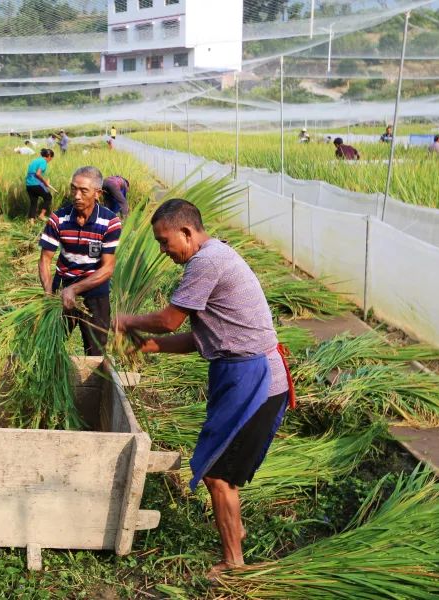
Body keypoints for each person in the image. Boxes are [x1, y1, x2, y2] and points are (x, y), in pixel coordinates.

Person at [113, 198, 293, 579]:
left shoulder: (206, 261)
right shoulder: (216, 254)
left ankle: (233, 562)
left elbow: (169, 320)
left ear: (187, 232)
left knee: (218, 474)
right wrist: (148, 345)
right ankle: (235, 530)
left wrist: (127, 320)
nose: (164, 251)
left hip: (256, 381)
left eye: (165, 242)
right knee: (221, 468)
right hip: (241, 375)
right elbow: (201, 338)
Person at [39, 166, 122, 356]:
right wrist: (48, 293)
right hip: (62, 288)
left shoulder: (109, 222)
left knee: (96, 352)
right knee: (50, 347)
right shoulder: (58, 219)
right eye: (73, 189)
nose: (76, 196)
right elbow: (45, 259)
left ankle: (93, 384)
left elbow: (107, 268)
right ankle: (53, 382)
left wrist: (75, 290)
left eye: (83, 191)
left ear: (97, 194)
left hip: (95, 291)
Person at [26, 148, 55, 222]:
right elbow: (38, 174)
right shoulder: (43, 161)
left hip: (29, 184)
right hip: (36, 183)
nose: (50, 160)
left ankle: (31, 221)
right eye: (51, 158)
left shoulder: (35, 160)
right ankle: (42, 215)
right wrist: (45, 182)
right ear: (48, 156)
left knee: (34, 202)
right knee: (48, 197)